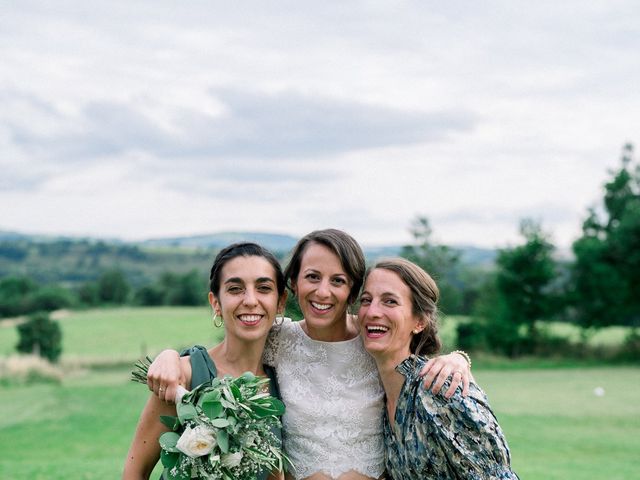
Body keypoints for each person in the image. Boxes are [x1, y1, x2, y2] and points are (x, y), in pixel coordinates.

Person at [148, 229, 472, 480]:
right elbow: (227, 354)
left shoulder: (374, 338)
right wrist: (171, 357)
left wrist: (458, 358)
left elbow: (416, 353)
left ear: (353, 290)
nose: (322, 292)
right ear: (293, 283)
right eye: (312, 277)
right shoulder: (278, 339)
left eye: (338, 281)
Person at [122, 242, 288, 480]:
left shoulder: (280, 383)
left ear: (280, 301)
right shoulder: (183, 376)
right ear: (216, 303)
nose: (250, 300)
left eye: (263, 288)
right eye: (235, 289)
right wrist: (170, 355)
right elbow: (134, 473)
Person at [359, 257, 518, 479]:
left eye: (390, 302)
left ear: (420, 322)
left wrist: (460, 358)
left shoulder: (439, 389)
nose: (372, 311)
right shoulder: (382, 398)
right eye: (366, 300)